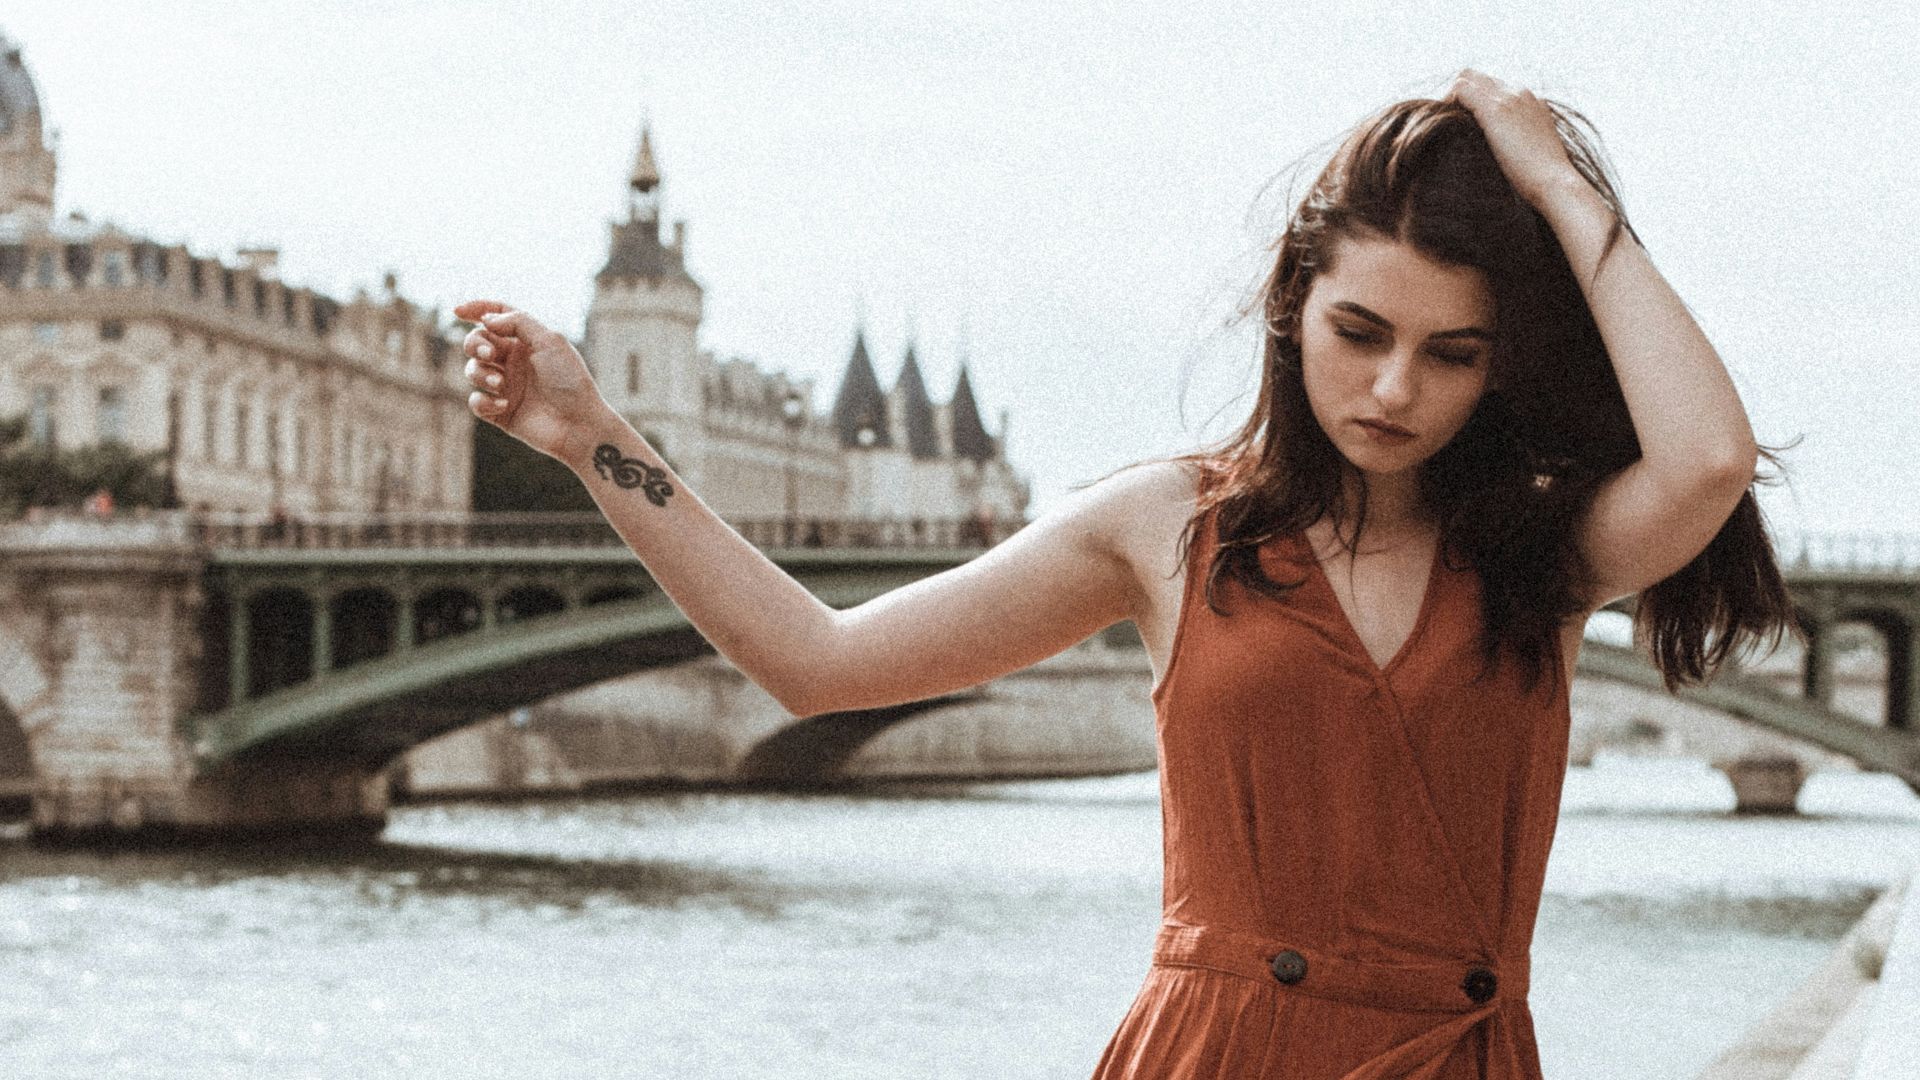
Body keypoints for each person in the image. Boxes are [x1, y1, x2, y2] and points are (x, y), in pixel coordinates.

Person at [456, 68, 1794, 1079]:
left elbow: (1706, 462)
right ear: (1293, 311)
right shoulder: (1166, 528)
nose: (1394, 388)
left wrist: (1566, 192)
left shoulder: (1532, 558)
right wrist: (591, 437)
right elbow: (819, 660)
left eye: (1454, 352)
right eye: (1360, 331)